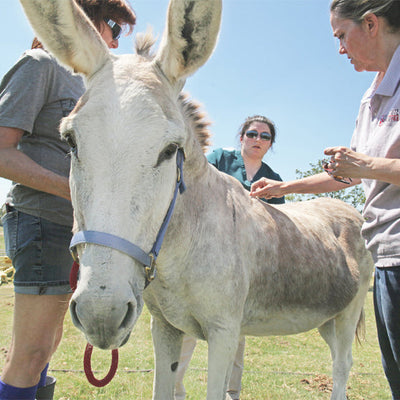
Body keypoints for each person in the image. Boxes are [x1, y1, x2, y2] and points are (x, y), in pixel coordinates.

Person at [250, 1, 400, 398]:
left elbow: (362, 167)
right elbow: (347, 174)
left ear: (370, 24)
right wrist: (282, 189)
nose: (339, 49)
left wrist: (366, 164)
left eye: (340, 36)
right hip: (385, 255)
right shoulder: (371, 98)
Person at [0, 2, 136, 399]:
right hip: (39, 219)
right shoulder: (40, 63)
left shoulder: (88, 86)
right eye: (112, 27)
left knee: (49, 343)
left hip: (72, 229)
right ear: (86, 21)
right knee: (33, 349)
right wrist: (74, 191)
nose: (113, 40)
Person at [175, 115, 285, 400]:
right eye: (252, 133)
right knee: (187, 326)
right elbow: (193, 182)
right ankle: (174, 390)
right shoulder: (220, 158)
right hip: (202, 257)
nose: (257, 140)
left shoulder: (275, 179)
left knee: (234, 331)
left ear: (271, 144)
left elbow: (276, 225)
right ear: (242, 137)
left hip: (243, 268)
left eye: (265, 136)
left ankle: (229, 393)